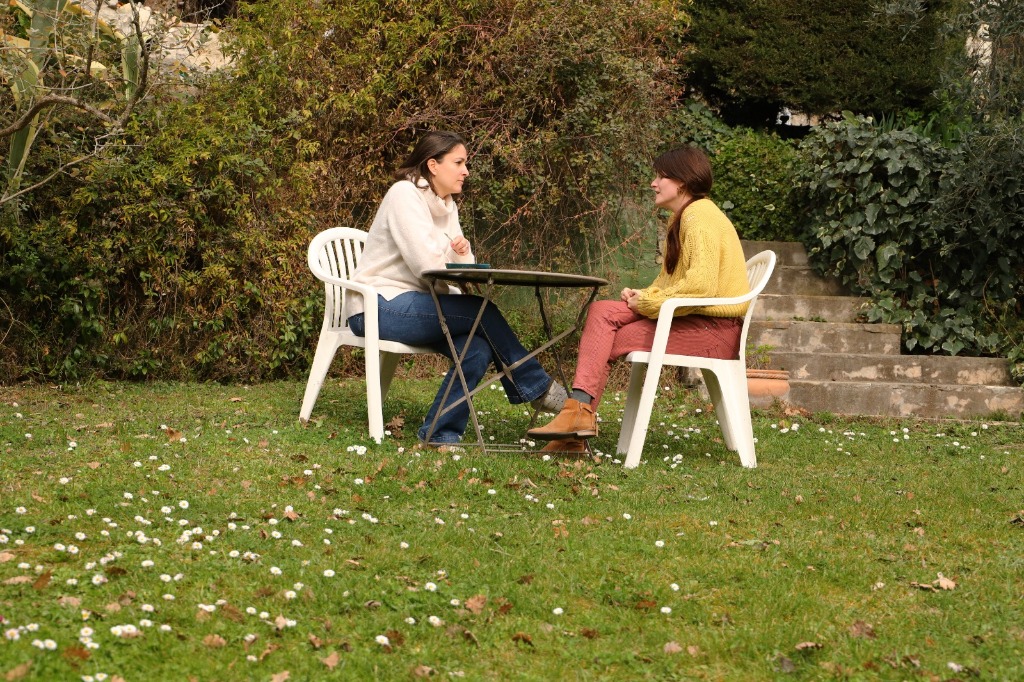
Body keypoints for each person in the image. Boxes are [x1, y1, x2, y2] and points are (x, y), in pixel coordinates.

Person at [346, 131, 566, 447]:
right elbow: (427, 266)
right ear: (433, 165)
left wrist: (460, 253)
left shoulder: (447, 205)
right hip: (377, 305)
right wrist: (451, 257)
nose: (466, 171)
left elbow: (461, 267)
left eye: (466, 163)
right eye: (459, 163)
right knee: (482, 310)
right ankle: (537, 387)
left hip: (420, 304)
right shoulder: (403, 195)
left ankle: (439, 433)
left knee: (477, 349)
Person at [527, 145, 751, 454]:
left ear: (682, 182)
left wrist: (647, 303)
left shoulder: (700, 216)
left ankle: (572, 431)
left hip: (714, 332)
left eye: (661, 176)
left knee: (614, 337)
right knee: (602, 310)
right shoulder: (683, 217)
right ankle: (575, 419)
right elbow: (671, 285)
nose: (653, 183)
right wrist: (642, 295)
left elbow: (701, 286)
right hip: (695, 321)